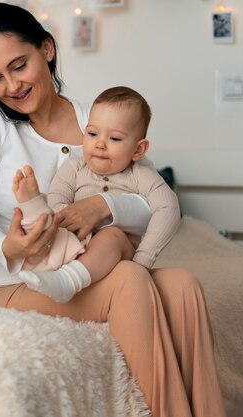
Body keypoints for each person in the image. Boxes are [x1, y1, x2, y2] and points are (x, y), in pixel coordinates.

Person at [0, 3, 226, 417]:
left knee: (184, 286)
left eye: (19, 65)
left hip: (85, 272)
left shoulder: (93, 121)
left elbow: (150, 203)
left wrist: (102, 205)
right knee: (129, 279)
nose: (11, 85)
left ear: (46, 50)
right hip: (13, 284)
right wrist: (6, 245)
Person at [13, 86, 181, 303]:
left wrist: (142, 260)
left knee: (111, 236)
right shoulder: (74, 168)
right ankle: (33, 205)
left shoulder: (141, 174)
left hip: (119, 254)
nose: (100, 144)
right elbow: (58, 203)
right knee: (51, 220)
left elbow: (169, 207)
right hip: (75, 248)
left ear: (138, 150)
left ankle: (69, 281)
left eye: (115, 139)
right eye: (92, 134)